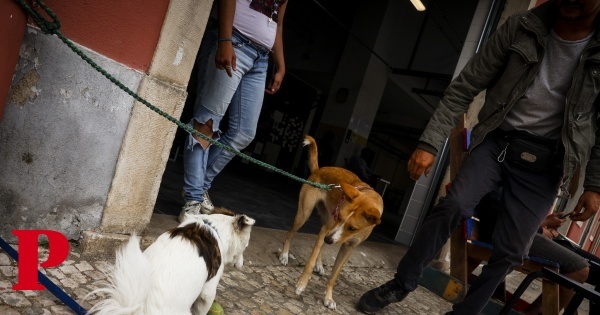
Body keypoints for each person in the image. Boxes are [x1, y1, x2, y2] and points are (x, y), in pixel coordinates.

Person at [358, 1, 600, 314]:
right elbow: (466, 84)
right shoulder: (520, 26)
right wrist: (430, 142)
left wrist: (594, 185)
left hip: (547, 166)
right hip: (498, 143)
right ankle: (402, 282)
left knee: (512, 251)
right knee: (454, 205)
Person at [180, 0, 288, 222]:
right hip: (235, 41)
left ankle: (199, 188)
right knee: (206, 123)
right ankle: (192, 198)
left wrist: (281, 64)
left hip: (262, 59)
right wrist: (224, 40)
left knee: (244, 133)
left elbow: (278, 23)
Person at [524, 213, 590, 315]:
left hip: (528, 229)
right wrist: (542, 225)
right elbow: (500, 212)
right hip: (516, 232)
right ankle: (535, 312)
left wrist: (546, 225)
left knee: (583, 264)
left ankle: (535, 311)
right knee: (580, 268)